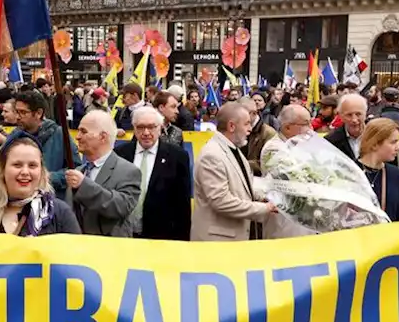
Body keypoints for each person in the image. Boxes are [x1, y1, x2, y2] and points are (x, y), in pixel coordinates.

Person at [0, 134, 81, 235]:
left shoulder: (59, 213)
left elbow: (76, 261)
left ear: (41, 171)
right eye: (17, 165)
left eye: (32, 165)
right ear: (2, 169)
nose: (25, 172)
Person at [192, 103, 277, 241]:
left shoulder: (233, 149)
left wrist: (268, 196)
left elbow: (244, 187)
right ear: (231, 126)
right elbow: (221, 201)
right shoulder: (212, 155)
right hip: (218, 242)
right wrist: (264, 208)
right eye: (247, 124)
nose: (250, 129)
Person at [114, 105, 192, 240]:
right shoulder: (120, 154)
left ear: (160, 127)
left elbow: (183, 205)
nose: (145, 132)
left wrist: (182, 241)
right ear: (133, 128)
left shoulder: (178, 157)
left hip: (161, 237)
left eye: (151, 127)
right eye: (140, 127)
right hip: (124, 235)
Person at [67, 109, 142, 237]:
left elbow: (120, 207)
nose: (77, 136)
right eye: (78, 130)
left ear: (102, 137)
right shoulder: (80, 171)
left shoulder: (129, 171)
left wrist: (84, 185)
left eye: (83, 131)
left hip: (109, 251)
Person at [13, 89, 77, 192]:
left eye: (23, 112)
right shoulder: (15, 136)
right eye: (16, 112)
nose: (17, 117)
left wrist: (48, 178)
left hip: (51, 198)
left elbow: (76, 169)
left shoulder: (59, 134)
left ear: (38, 113)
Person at [358, 118, 399, 221]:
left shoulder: (395, 175)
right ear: (375, 144)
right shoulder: (350, 172)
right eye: (393, 142)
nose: (398, 148)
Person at [325, 93, 368, 163]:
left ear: (365, 114)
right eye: (349, 115)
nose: (354, 119)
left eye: (358, 114)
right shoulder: (330, 141)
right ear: (340, 116)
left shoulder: (378, 137)